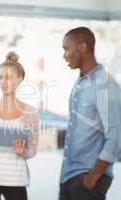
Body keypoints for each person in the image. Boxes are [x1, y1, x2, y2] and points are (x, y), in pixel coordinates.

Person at [59, 26, 121, 200]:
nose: (64, 55)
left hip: (88, 178)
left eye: (66, 49)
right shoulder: (81, 82)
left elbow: (115, 137)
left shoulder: (104, 85)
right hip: (69, 176)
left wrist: (92, 177)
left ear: (82, 48)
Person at [0, 52, 39, 200]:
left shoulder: (30, 112)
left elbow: (33, 149)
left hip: (16, 179)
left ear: (20, 79)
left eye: (8, 77)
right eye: (1, 77)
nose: (3, 82)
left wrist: (23, 151)